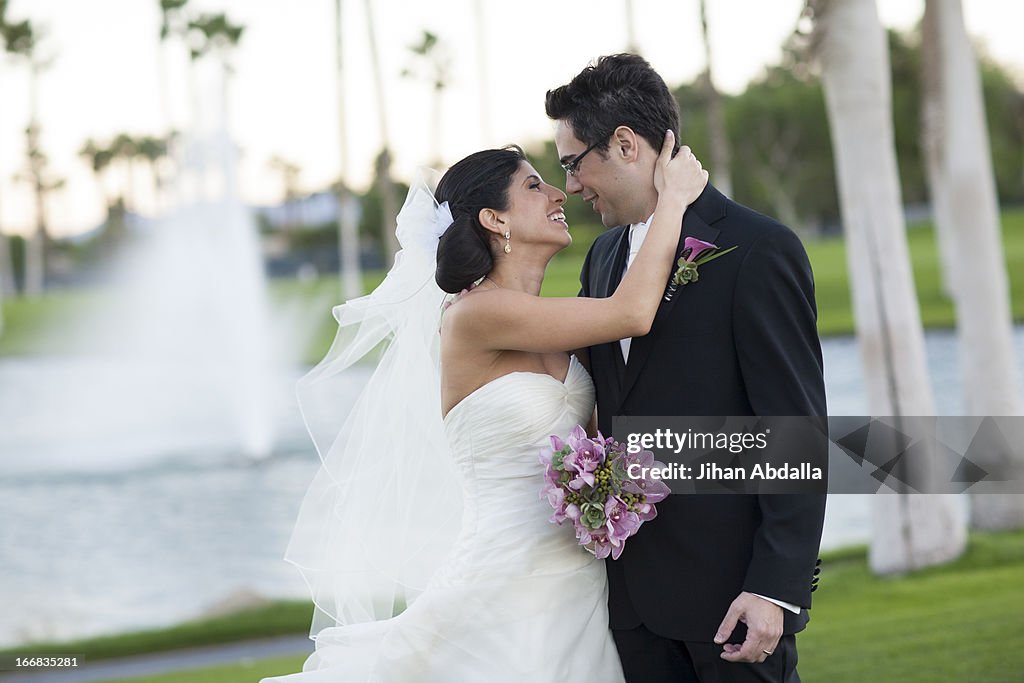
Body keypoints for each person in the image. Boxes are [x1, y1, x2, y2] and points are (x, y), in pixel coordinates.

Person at [262, 134, 708, 682]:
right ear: (496, 220)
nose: (558, 193)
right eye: (532, 185)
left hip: (578, 587)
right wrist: (674, 202)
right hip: (501, 587)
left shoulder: (549, 318)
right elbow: (633, 313)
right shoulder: (474, 315)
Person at [545, 53, 827, 683]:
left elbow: (796, 429)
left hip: (730, 602)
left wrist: (775, 588)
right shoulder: (603, 257)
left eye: (573, 163)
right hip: (632, 610)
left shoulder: (756, 250)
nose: (570, 185)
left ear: (624, 144)